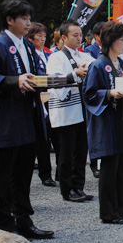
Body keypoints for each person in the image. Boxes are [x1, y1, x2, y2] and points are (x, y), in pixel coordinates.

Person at [0, 0, 53, 238]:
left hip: (28, 115)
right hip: (7, 119)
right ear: (9, 20)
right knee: (3, 173)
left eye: (29, 17)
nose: (28, 22)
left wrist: (47, 81)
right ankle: (2, 222)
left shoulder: (27, 45)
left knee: (23, 173)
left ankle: (24, 220)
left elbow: (37, 73)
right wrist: (15, 80)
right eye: (23, 17)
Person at [83, 22, 123, 224]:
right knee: (110, 168)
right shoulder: (98, 65)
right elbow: (89, 94)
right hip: (108, 123)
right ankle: (108, 212)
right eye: (121, 39)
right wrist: (108, 93)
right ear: (110, 41)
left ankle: (122, 209)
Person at [47, 22, 94, 202]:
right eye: (74, 35)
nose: (79, 38)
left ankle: (79, 186)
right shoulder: (56, 57)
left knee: (82, 150)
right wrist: (75, 73)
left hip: (82, 108)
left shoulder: (84, 55)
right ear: (64, 38)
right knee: (67, 151)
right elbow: (54, 82)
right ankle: (67, 189)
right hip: (67, 109)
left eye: (80, 34)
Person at [24, 22, 55, 188]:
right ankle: (45, 174)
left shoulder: (48, 54)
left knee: (51, 137)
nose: (42, 39)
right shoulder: (30, 55)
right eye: (39, 36)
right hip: (38, 98)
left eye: (44, 36)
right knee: (42, 139)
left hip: (51, 98)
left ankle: (52, 172)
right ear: (31, 38)